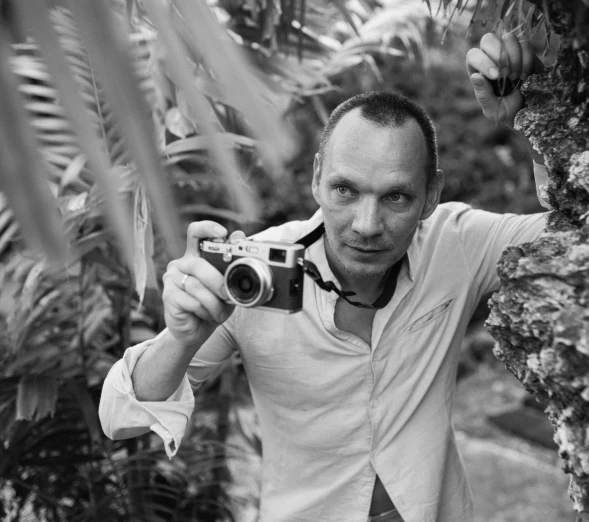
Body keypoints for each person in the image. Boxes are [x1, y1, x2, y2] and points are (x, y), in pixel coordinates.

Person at [99, 32, 552, 522]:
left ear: (430, 195)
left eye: (396, 197)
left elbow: (579, 237)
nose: (366, 224)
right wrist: (183, 337)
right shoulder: (253, 272)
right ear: (317, 178)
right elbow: (120, 417)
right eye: (345, 190)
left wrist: (533, 122)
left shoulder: (458, 244)